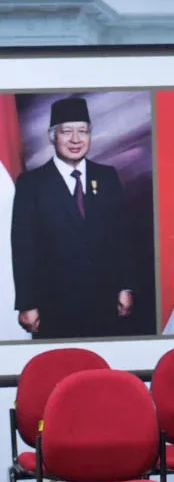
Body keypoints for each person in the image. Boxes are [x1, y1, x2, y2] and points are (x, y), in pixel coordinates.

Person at [10, 96, 134, 339]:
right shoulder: (31, 183)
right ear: (52, 136)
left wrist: (125, 286)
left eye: (83, 131)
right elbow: (23, 248)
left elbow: (122, 238)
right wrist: (27, 303)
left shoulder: (107, 176)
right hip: (53, 306)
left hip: (104, 302)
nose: (76, 140)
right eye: (67, 132)